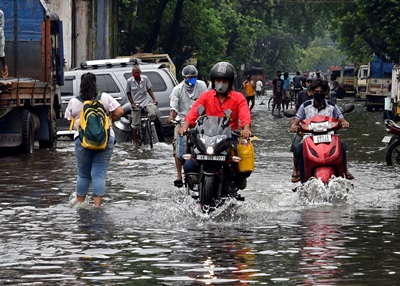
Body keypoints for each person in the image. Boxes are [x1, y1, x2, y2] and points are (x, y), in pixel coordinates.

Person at [179, 61, 252, 189]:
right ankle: (192, 184)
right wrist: (185, 126)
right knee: (189, 164)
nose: (221, 83)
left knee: (238, 164)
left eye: (224, 81)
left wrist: (246, 129)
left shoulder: (238, 97)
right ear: (213, 81)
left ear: (230, 82)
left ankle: (235, 182)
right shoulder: (206, 96)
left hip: (229, 138)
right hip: (206, 137)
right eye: (218, 80)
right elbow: (194, 111)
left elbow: (245, 114)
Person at [65, 73, 124, 207]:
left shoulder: (74, 101)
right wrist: (108, 120)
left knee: (83, 175)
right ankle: (97, 206)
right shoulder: (105, 97)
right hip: (105, 140)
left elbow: (69, 119)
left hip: (82, 141)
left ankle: (81, 205)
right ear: (95, 84)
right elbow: (120, 112)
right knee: (99, 174)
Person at [291, 79, 354, 182]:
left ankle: (345, 170)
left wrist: (344, 123)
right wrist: (294, 126)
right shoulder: (306, 106)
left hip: (329, 137)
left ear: (325, 92)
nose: (318, 94)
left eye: (321, 92)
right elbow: (296, 121)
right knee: (298, 148)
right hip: (310, 138)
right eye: (316, 92)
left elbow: (341, 118)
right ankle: (300, 176)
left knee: (342, 145)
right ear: (312, 92)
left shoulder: (332, 106)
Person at [167, 65, 207, 188]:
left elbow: (207, 102)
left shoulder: (202, 86)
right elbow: (174, 108)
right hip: (182, 121)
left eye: (194, 78)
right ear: (184, 77)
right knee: (178, 148)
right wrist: (171, 117)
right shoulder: (177, 89)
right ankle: (179, 175)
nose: (192, 80)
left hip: (199, 120)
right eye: (189, 78)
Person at [126, 64, 163, 145]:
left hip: (145, 101)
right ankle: (135, 141)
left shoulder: (145, 79)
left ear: (140, 72)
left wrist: (154, 99)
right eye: (135, 73)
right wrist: (132, 103)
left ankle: (149, 129)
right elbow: (128, 93)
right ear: (132, 73)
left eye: (138, 72)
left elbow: (149, 89)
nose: (136, 74)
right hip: (136, 103)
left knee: (152, 114)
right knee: (134, 124)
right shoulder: (129, 81)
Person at [290, 76, 314, 182]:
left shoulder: (319, 97)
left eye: (311, 82)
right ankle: (295, 169)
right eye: (308, 82)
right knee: (296, 146)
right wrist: (294, 121)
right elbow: (297, 108)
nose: (309, 84)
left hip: (319, 126)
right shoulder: (301, 94)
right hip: (303, 126)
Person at [0, 10, 8, 78]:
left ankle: (4, 67)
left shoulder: (1, 13)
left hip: (0, 36)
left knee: (1, 53)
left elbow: (2, 25)